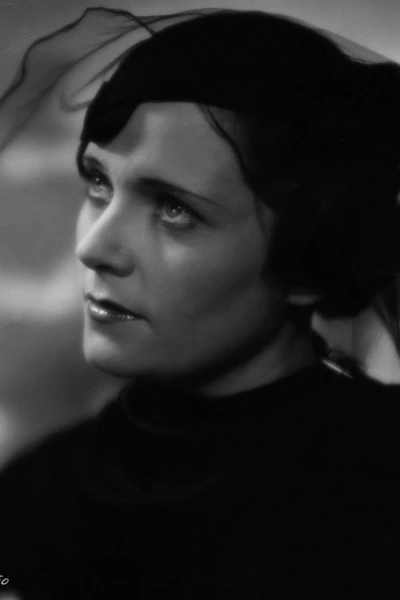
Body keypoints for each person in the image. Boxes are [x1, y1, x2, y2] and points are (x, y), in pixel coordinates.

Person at [1, 7, 400, 599]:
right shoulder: (38, 488)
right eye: (98, 183)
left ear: (309, 261)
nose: (93, 248)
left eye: (174, 209)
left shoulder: (382, 482)